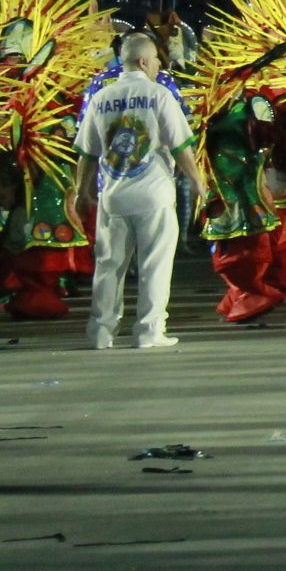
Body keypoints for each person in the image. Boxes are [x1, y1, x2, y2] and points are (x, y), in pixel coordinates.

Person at [73, 31, 205, 351]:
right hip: (154, 195)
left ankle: (101, 333)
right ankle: (149, 331)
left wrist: (81, 191)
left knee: (108, 266)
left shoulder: (102, 97)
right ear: (143, 61)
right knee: (154, 266)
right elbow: (181, 146)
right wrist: (199, 182)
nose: (160, 64)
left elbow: (87, 153)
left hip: (114, 196)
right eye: (157, 59)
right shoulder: (160, 95)